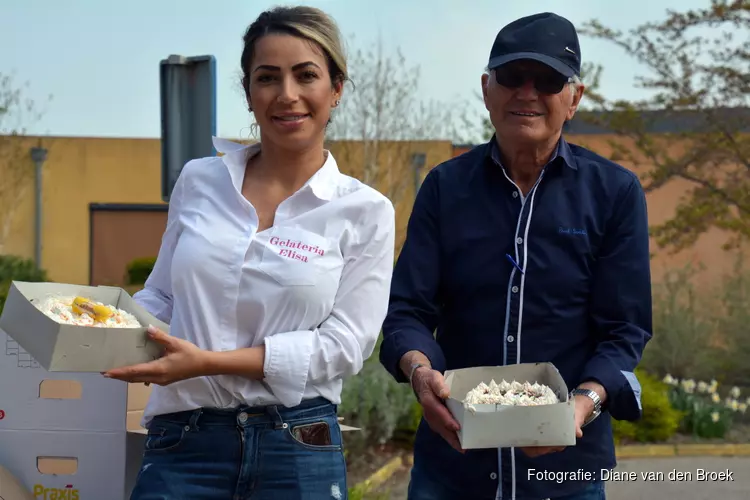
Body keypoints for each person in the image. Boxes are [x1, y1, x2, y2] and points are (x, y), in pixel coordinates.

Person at [104, 6, 396, 499]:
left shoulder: (365, 211)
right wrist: (100, 328)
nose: (287, 95)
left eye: (306, 75)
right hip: (184, 440)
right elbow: (162, 295)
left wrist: (208, 361)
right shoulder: (200, 180)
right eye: (267, 77)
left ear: (336, 89)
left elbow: (346, 346)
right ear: (248, 92)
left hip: (299, 446)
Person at [379, 12, 652, 500]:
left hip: (565, 475)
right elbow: (407, 312)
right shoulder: (444, 188)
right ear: (487, 89)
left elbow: (624, 329)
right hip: (452, 468)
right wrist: (421, 373)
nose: (527, 92)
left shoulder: (615, 193)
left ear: (574, 98)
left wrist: (581, 405)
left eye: (547, 79)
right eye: (511, 77)